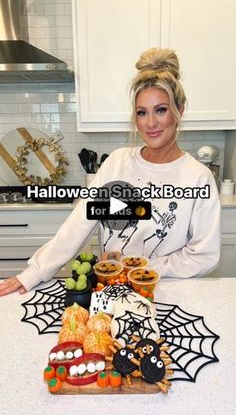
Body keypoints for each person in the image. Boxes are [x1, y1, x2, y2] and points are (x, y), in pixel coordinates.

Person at [0, 47, 221, 297]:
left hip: (165, 293)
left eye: (161, 110)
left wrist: (142, 269)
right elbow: (81, 222)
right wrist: (34, 272)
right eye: (141, 112)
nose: (150, 123)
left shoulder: (197, 177)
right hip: (110, 293)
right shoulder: (118, 164)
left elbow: (204, 255)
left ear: (179, 110)